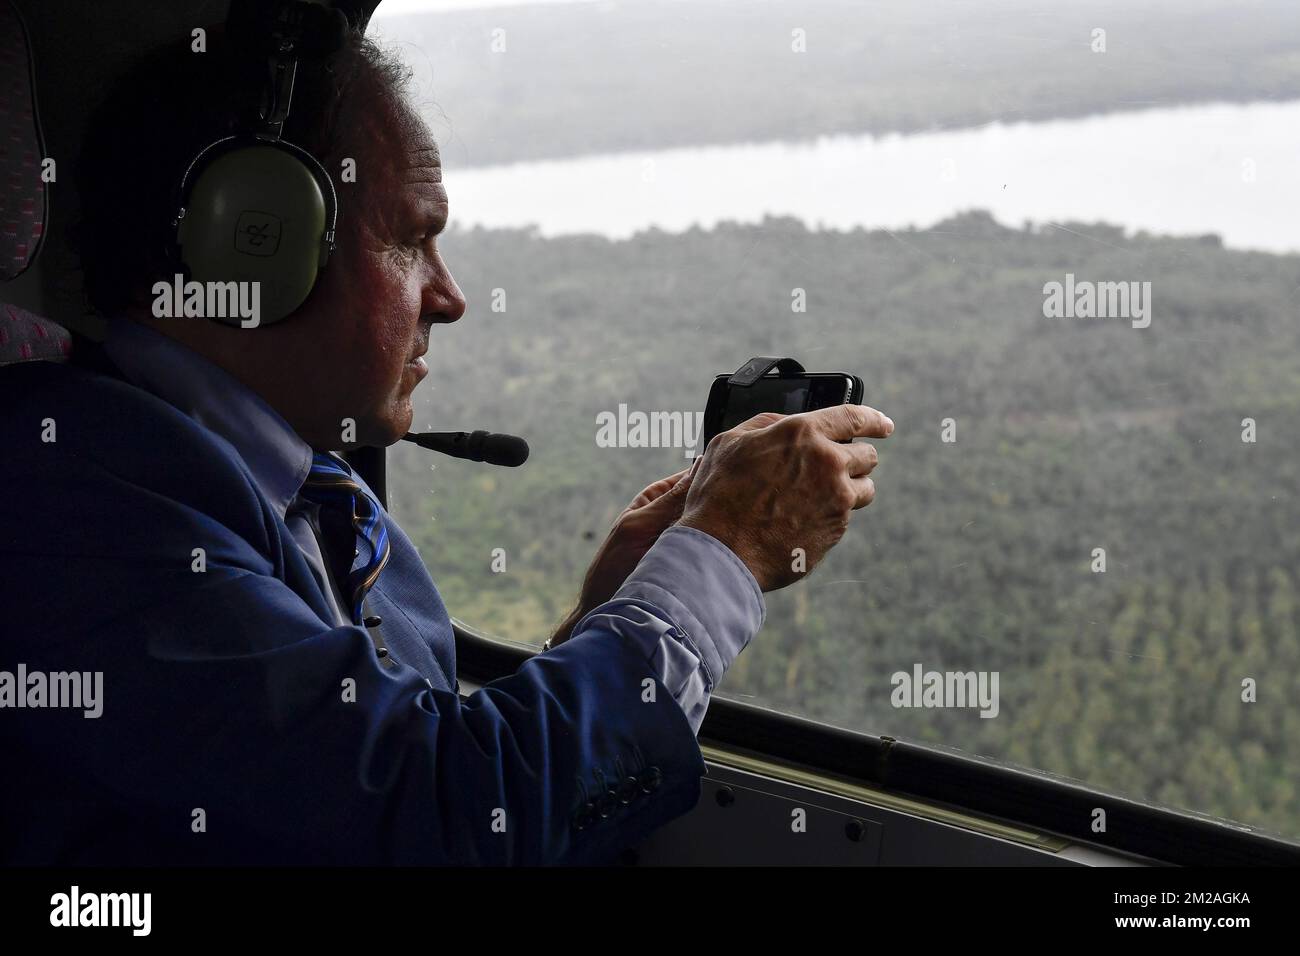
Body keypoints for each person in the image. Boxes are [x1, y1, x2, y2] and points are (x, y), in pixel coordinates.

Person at [0, 26, 891, 864]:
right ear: (251, 246)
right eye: (412, 240)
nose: (449, 296)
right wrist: (721, 552)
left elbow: (395, 769)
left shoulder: (316, 497)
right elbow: (436, 817)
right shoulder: (63, 498)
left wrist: (596, 626)